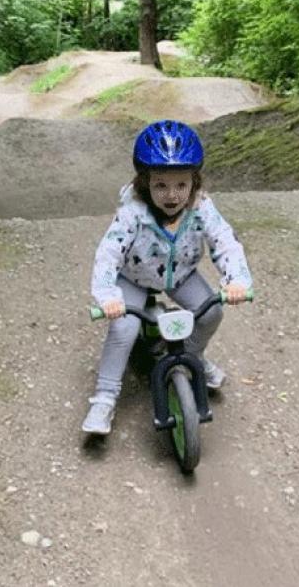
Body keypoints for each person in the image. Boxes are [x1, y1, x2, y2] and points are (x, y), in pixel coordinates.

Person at [83, 120, 253, 435]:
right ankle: (105, 397)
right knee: (124, 328)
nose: (172, 195)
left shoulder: (201, 208)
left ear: (194, 182)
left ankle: (192, 357)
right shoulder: (133, 213)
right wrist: (108, 296)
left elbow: (224, 240)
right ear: (144, 183)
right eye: (160, 185)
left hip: (181, 275)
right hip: (134, 277)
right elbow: (108, 253)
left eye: (181, 185)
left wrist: (237, 279)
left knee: (211, 311)